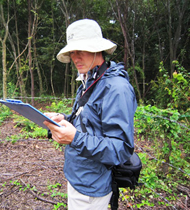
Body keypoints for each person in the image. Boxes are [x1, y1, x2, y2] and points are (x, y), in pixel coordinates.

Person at [43, 19, 137, 210]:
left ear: (97, 49)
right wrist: (62, 120)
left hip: (92, 188)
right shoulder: (90, 80)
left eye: (81, 50)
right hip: (78, 176)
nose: (75, 57)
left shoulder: (116, 89)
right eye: (72, 52)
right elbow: (86, 121)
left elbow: (120, 148)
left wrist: (74, 138)